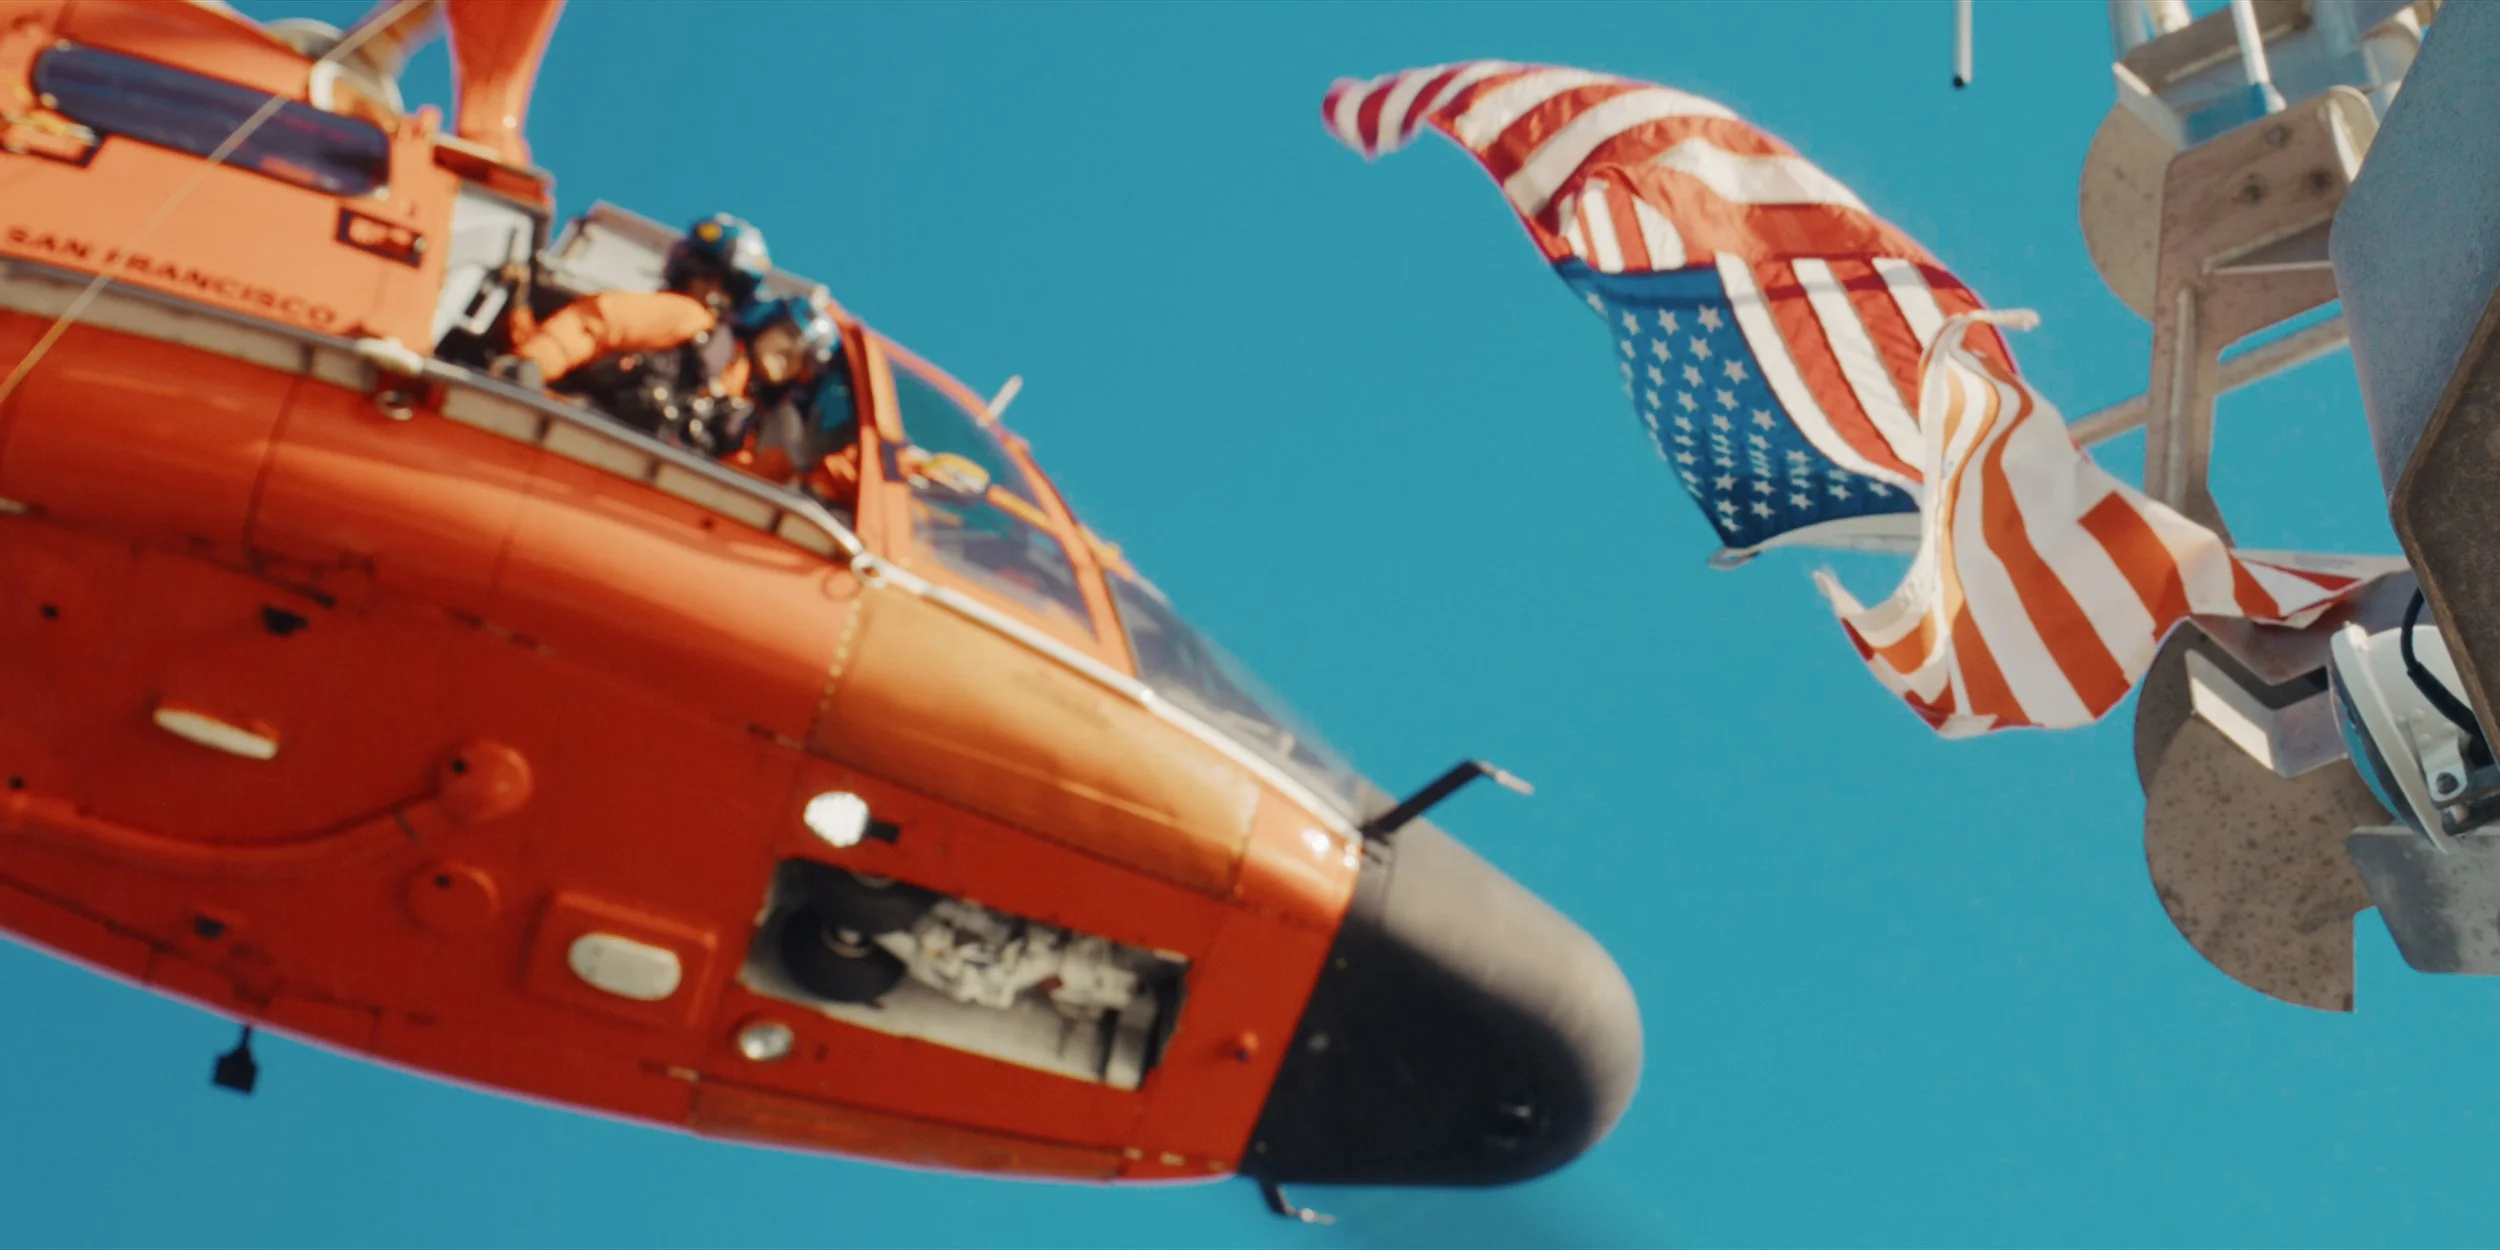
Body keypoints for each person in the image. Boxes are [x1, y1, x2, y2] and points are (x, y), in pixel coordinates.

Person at [489, 214, 773, 437]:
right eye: (708, 280)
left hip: (608, 434)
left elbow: (593, 322)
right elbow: (589, 325)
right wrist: (528, 350)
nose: (713, 292)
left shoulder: (693, 323)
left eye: (721, 286)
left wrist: (531, 362)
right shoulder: (711, 342)